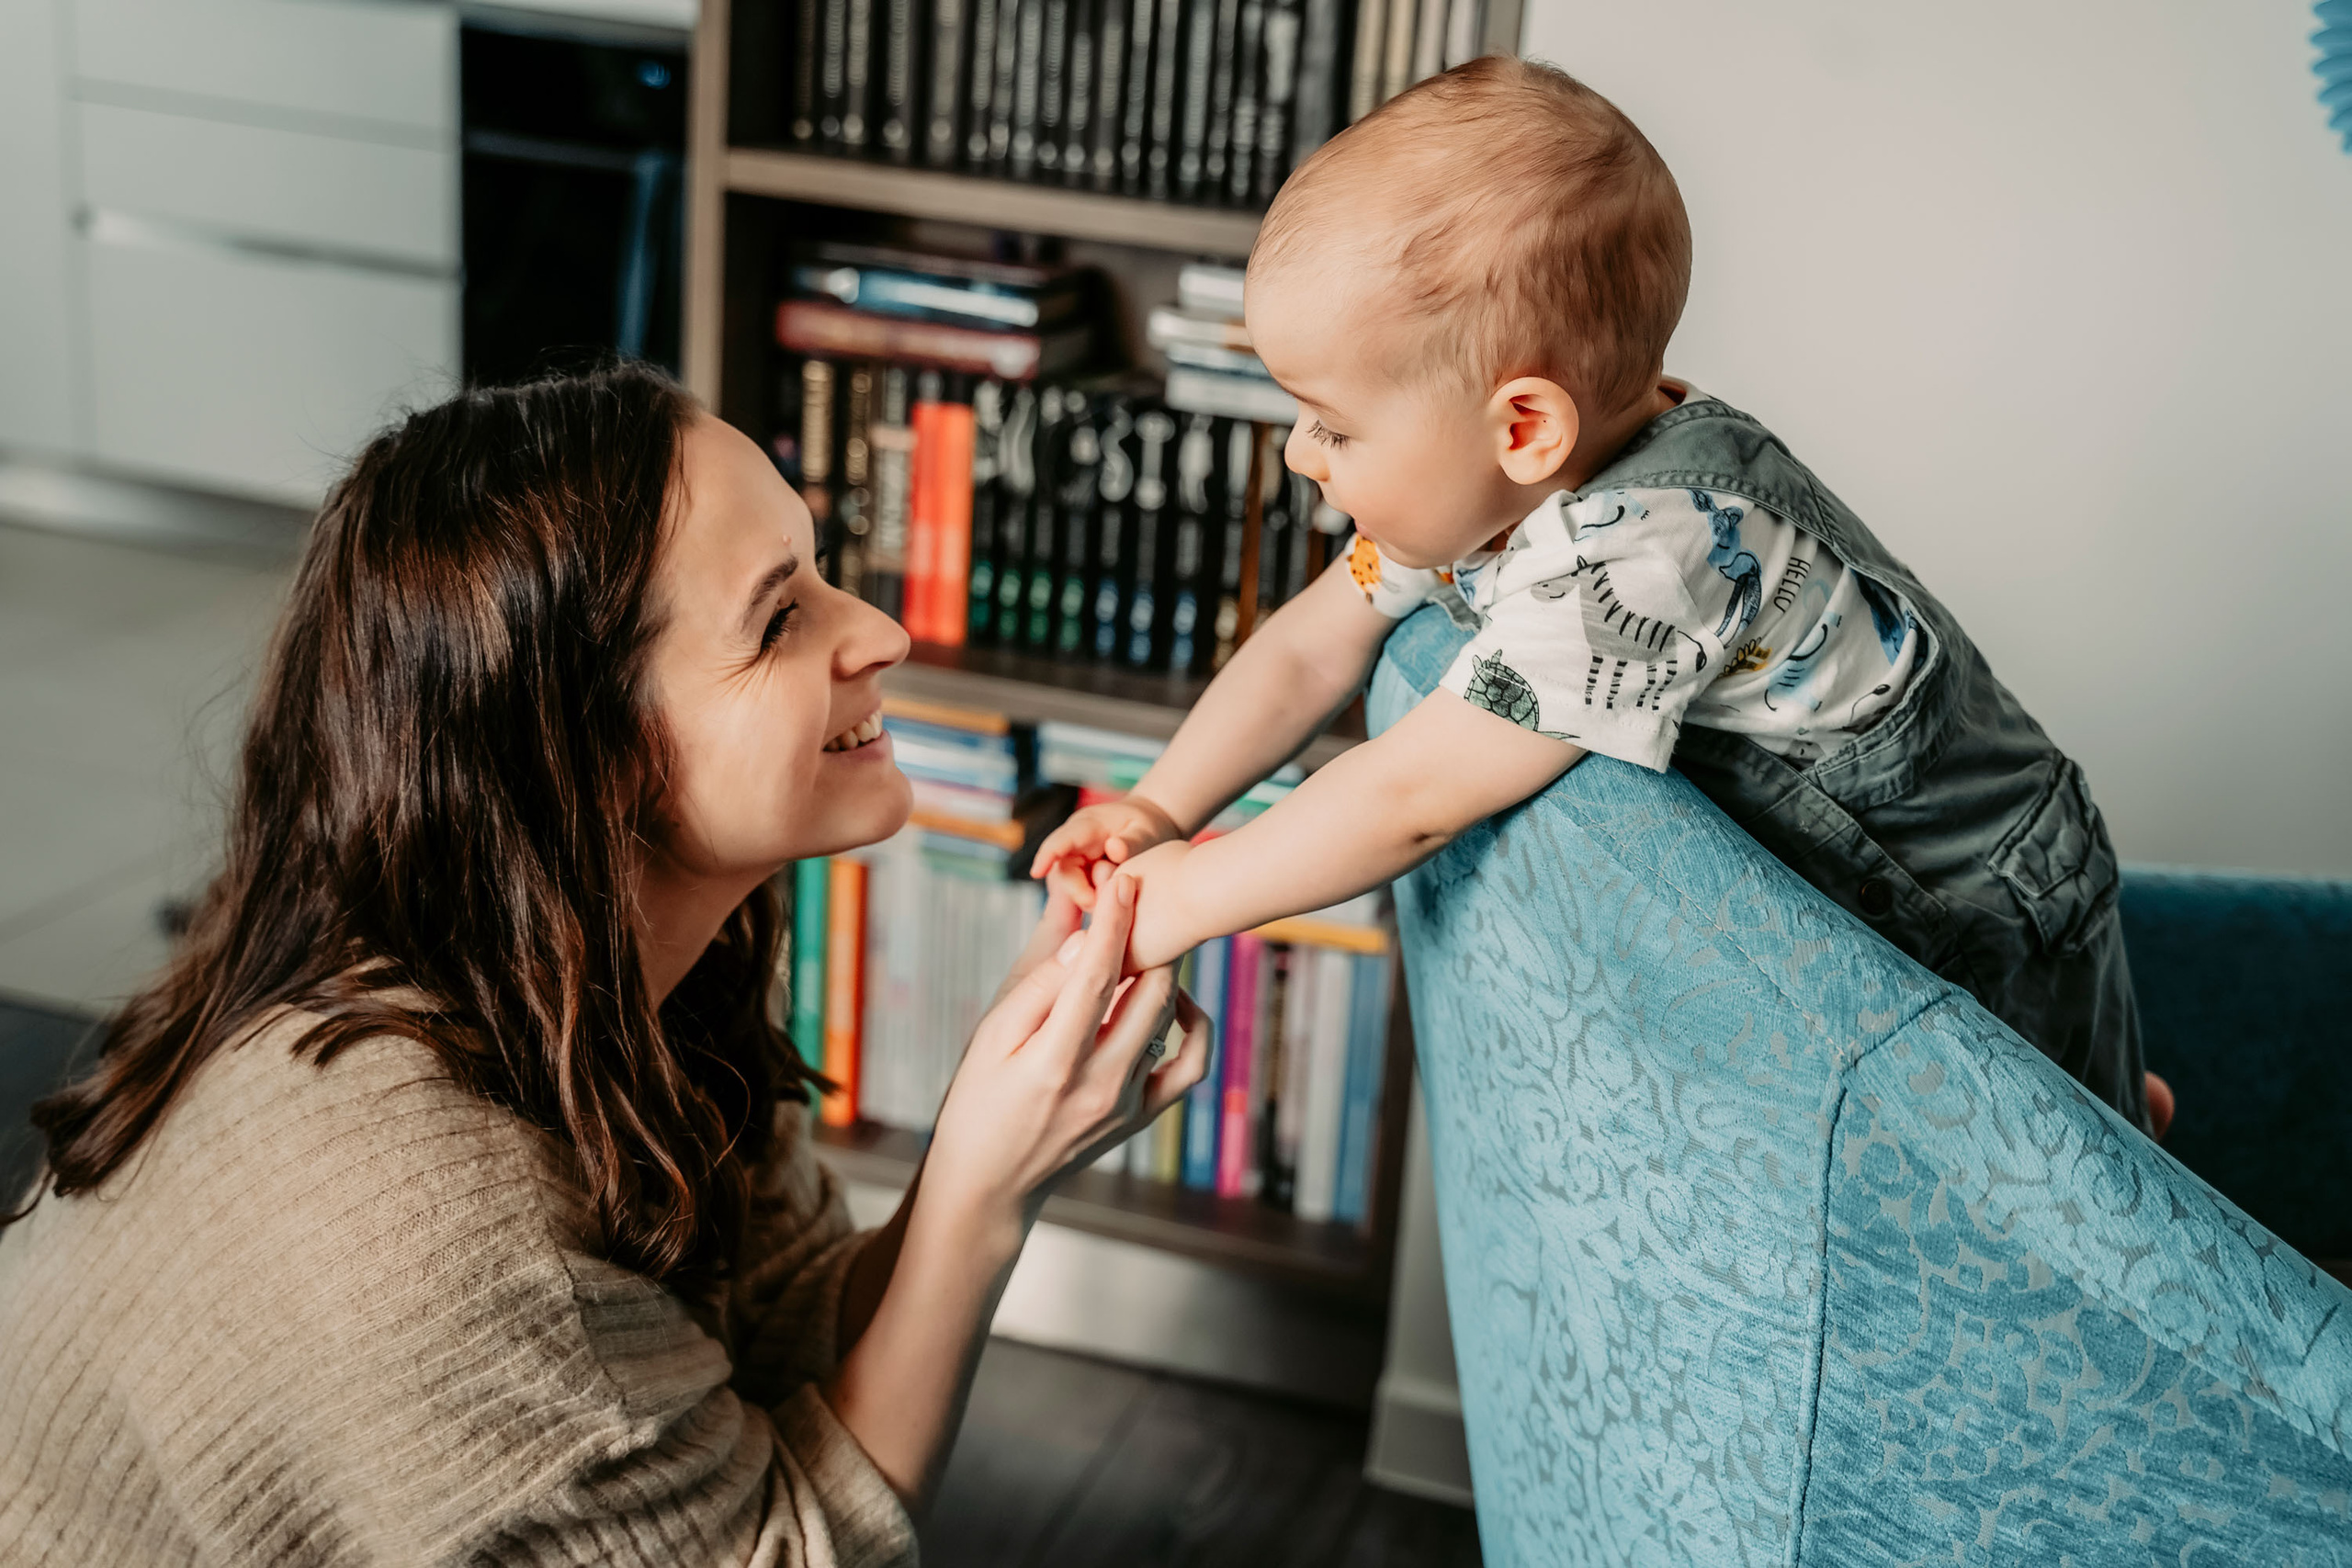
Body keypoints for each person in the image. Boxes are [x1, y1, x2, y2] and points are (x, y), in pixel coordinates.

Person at [0, 365, 1211, 1566]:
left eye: (821, 570)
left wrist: (991, 1135)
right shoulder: (429, 1222)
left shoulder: (609, 971)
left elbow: (775, 1325)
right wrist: (985, 1194)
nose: (883, 633)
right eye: (779, 620)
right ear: (595, 754)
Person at [1032, 57, 2172, 1140]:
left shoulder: (1643, 559)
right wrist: (1160, 807)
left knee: (2067, 1159)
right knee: (2057, 1115)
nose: (1296, 454)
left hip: (1978, 882)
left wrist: (1185, 900)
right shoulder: (1483, 493)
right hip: (1886, 875)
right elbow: (1304, 652)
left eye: (1331, 424)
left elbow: (1411, 796)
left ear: (1524, 426)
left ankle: (2135, 1119)